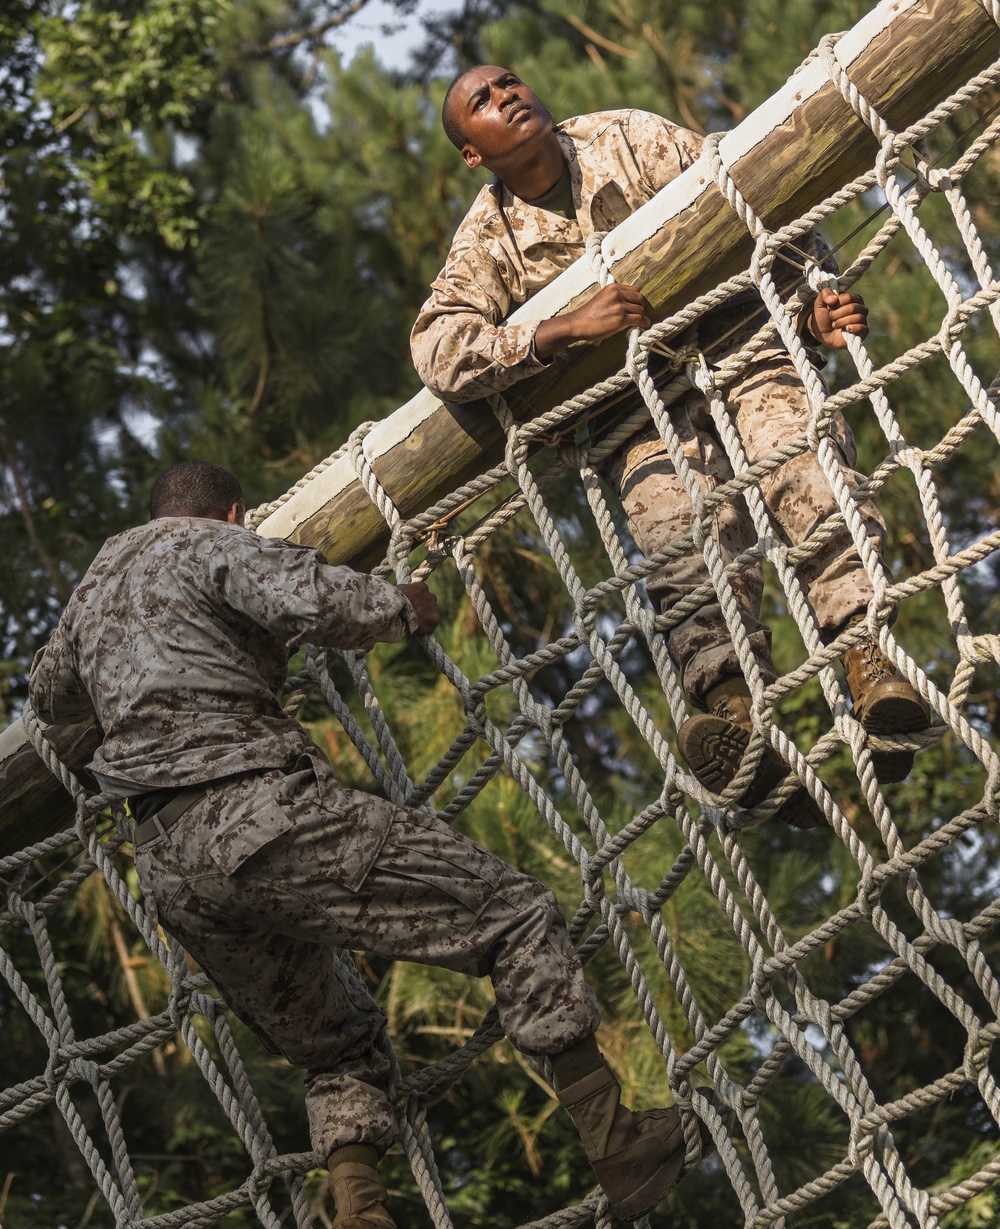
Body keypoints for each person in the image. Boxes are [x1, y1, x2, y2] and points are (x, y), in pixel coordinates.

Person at [28, 460, 720, 1229]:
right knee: (513, 911)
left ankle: (360, 1213)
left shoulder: (91, 591)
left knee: (335, 1046)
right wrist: (402, 607)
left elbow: (48, 699)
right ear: (233, 510)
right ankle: (616, 1140)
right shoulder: (208, 544)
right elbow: (310, 596)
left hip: (170, 870)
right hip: (256, 814)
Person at [410, 66, 931, 816]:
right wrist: (557, 330)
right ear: (473, 154)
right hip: (637, 406)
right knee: (681, 537)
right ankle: (737, 722)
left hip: (739, 339)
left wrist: (808, 307)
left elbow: (748, 198)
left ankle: (868, 661)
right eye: (482, 104)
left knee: (804, 470)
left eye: (510, 83)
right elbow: (439, 347)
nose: (508, 98)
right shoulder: (491, 239)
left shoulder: (625, 136)